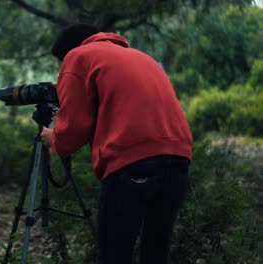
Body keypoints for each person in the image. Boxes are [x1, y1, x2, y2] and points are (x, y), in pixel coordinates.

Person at [40, 24, 193, 264]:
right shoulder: (142, 57)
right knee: (155, 253)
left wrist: (54, 138)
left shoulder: (78, 56)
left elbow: (72, 131)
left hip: (132, 161)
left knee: (114, 256)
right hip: (179, 156)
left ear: (69, 51)